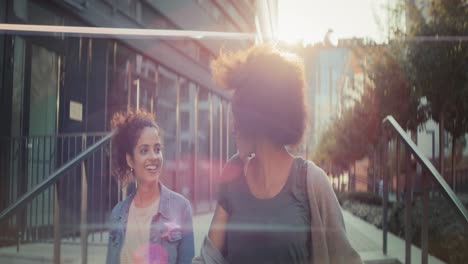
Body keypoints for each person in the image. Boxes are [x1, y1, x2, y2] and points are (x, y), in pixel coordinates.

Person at [195, 45, 361, 264]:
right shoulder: (233, 172)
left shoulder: (311, 181)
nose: (233, 127)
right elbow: (210, 258)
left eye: (236, 116)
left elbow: (346, 260)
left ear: (258, 117)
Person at [106, 111, 194, 264]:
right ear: (130, 160)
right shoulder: (117, 214)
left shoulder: (181, 208)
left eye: (157, 149)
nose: (154, 157)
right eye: (144, 150)